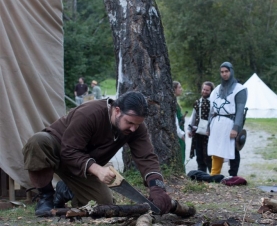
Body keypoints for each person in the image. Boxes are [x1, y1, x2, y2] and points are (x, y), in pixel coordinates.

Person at [23, 91, 172, 216]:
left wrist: (157, 187)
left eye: (137, 124)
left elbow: (146, 157)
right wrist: (98, 169)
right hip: (61, 150)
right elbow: (69, 151)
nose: (133, 128)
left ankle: (66, 191)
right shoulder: (89, 114)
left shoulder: (136, 128)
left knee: (103, 205)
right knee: (38, 141)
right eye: (130, 123)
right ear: (117, 110)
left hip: (82, 166)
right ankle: (46, 197)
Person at [207, 62, 248, 177]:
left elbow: (240, 110)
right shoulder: (216, 90)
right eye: (222, 72)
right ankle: (214, 175)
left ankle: (233, 176)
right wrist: (208, 126)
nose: (224, 74)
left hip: (230, 123)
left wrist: (236, 128)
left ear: (231, 71)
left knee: (233, 149)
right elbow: (211, 110)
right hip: (216, 122)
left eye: (226, 71)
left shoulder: (240, 89)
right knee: (216, 148)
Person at [187, 81, 214, 172]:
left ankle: (212, 175)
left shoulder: (213, 103)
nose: (205, 91)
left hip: (209, 133)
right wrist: (189, 128)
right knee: (199, 154)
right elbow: (194, 116)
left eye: (207, 90)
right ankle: (201, 173)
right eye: (203, 89)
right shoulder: (198, 102)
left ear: (211, 91)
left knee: (209, 154)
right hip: (198, 132)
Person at [173, 81, 186, 164]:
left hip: (179, 133)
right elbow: (175, 121)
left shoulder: (175, 102)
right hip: (178, 135)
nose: (181, 89)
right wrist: (181, 134)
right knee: (180, 157)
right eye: (179, 87)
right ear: (174, 89)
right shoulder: (173, 103)